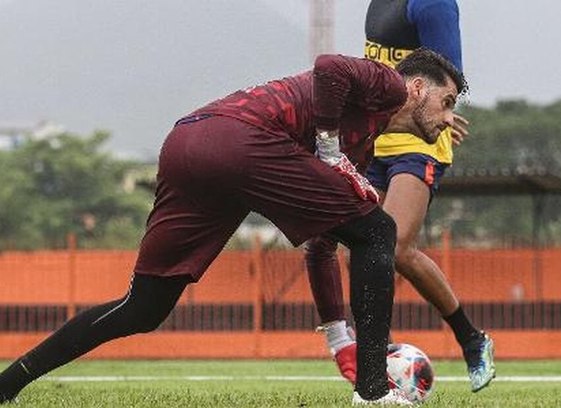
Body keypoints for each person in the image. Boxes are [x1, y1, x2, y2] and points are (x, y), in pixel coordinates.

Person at [0, 48, 466, 405]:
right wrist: (326, 146)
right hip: (238, 140)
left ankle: (9, 382)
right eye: (447, 103)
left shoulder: (361, 146)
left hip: (188, 142)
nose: (449, 120)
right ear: (419, 87)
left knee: (142, 308)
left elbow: (321, 248)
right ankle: (372, 391)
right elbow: (329, 66)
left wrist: (338, 339)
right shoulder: (387, 86)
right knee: (380, 231)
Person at [306, 0, 496, 393]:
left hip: (420, 143)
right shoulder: (377, 6)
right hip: (378, 137)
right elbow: (377, 71)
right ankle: (381, 356)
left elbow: (449, 77)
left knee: (393, 246)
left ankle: (471, 339)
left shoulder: (433, 4)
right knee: (356, 247)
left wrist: (444, 114)